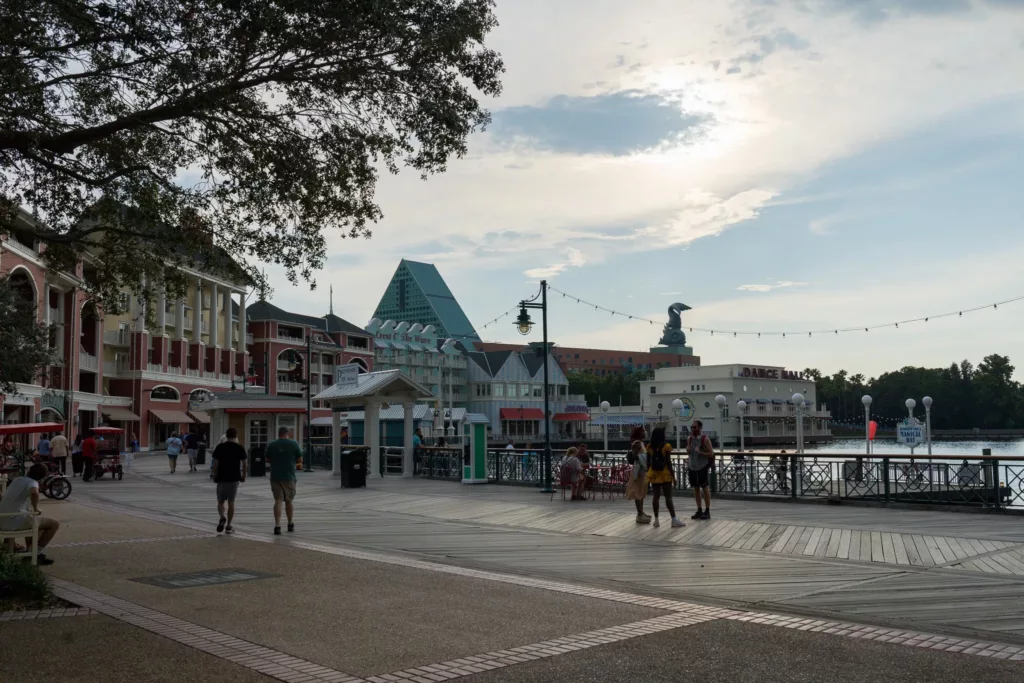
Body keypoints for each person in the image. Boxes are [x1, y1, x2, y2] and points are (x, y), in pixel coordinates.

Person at [0, 463, 61, 564]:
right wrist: (36, 507)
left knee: (34, 522)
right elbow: (34, 492)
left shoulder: (18, 479)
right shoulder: (32, 482)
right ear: (42, 477)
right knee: (54, 524)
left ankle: (29, 550)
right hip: (13, 521)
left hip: (2, 519)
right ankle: (36, 553)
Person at [266, 426, 301, 535]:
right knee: (289, 501)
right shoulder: (294, 444)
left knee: (278, 500)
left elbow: (267, 459)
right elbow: (299, 459)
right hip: (289, 476)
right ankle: (290, 523)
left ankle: (277, 526)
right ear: (288, 433)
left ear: (278, 433)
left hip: (275, 475)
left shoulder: (272, 444)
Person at [211, 427, 247, 534]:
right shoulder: (239, 448)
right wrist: (243, 475)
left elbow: (215, 463)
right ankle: (229, 525)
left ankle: (222, 516)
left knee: (220, 501)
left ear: (226, 436)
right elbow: (245, 463)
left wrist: (214, 474)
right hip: (234, 478)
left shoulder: (220, 447)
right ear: (236, 436)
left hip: (221, 478)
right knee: (231, 502)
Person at [646, 427, 684, 528]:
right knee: (668, 497)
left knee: (656, 496)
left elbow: (648, 462)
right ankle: (674, 519)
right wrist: (673, 476)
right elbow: (668, 462)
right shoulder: (666, 446)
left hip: (654, 474)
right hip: (665, 473)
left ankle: (656, 520)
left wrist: (648, 475)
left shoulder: (649, 446)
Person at [686, 420, 715, 520]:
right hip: (692, 467)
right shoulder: (689, 439)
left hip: (702, 467)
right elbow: (689, 452)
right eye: (692, 427)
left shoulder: (705, 439)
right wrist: (688, 450)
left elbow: (711, 453)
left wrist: (701, 452)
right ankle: (699, 510)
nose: (693, 429)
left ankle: (707, 510)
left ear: (700, 428)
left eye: (695, 427)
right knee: (695, 488)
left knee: (705, 488)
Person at [625, 440, 651, 524]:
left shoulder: (641, 443)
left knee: (641, 492)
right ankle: (640, 514)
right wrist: (645, 456)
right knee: (637, 492)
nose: (645, 432)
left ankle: (641, 512)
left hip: (642, 471)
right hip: (638, 471)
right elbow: (635, 456)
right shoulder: (637, 444)